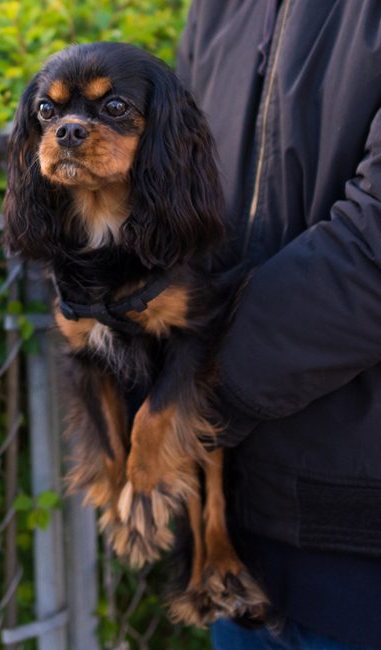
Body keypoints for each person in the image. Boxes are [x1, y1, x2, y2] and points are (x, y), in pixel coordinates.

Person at [175, 1, 381, 648]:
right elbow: (174, 192)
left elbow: (373, 249)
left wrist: (192, 386)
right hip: (234, 538)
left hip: (361, 546)